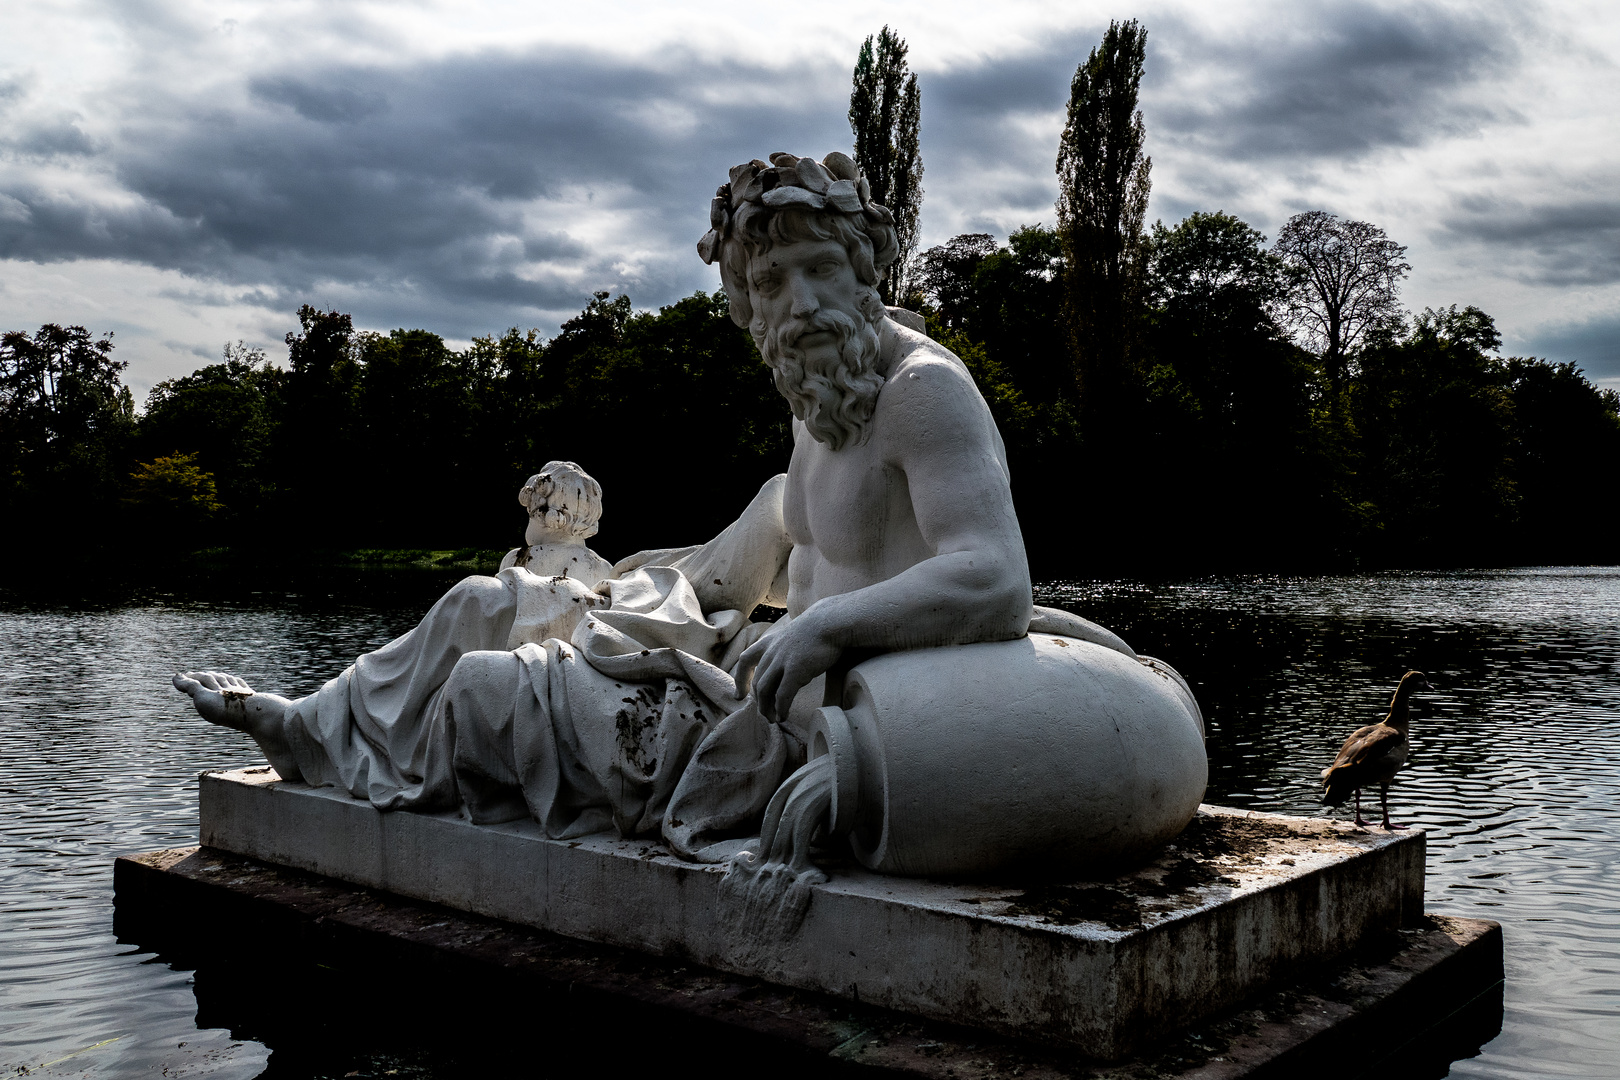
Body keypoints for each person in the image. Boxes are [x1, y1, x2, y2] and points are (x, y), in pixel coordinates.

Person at [174, 150, 1044, 859]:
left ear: (863, 273)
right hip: (749, 663)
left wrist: (823, 629)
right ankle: (310, 727)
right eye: (774, 282)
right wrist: (637, 585)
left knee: (483, 690)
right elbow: (747, 565)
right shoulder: (818, 395)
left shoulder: (922, 391)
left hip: (801, 717)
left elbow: (996, 578)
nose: (802, 303)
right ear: (748, 303)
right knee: (486, 600)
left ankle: (351, 764)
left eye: (821, 269)